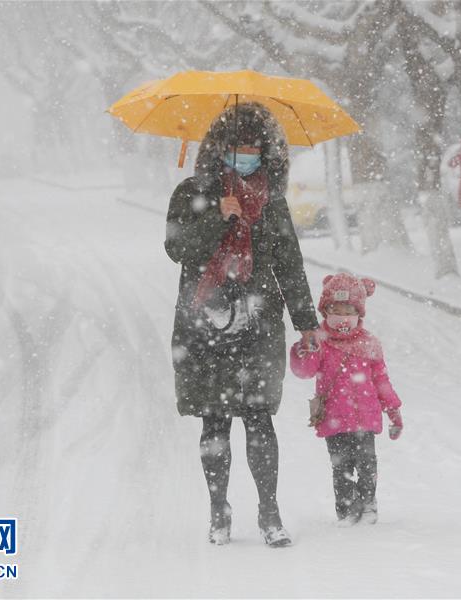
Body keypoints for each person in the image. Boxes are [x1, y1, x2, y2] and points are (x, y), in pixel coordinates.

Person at [164, 102, 319, 547]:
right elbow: (177, 249)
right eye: (237, 148)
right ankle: (219, 512)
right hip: (204, 321)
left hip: (259, 320)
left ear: (265, 153)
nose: (245, 156)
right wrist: (218, 216)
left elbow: (290, 264)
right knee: (214, 422)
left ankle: (269, 513)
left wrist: (306, 320)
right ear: (220, 150)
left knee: (258, 418)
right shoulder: (190, 192)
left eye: (254, 149)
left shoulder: (273, 202)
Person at [289, 273, 403, 526]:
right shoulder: (319, 341)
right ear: (325, 312)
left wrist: (393, 410)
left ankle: (368, 504)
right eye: (336, 311)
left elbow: (382, 381)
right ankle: (346, 508)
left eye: (349, 312)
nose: (342, 318)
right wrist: (302, 350)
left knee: (366, 465)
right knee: (341, 467)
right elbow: (304, 371)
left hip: (365, 417)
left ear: (359, 314)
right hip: (334, 418)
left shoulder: (369, 343)